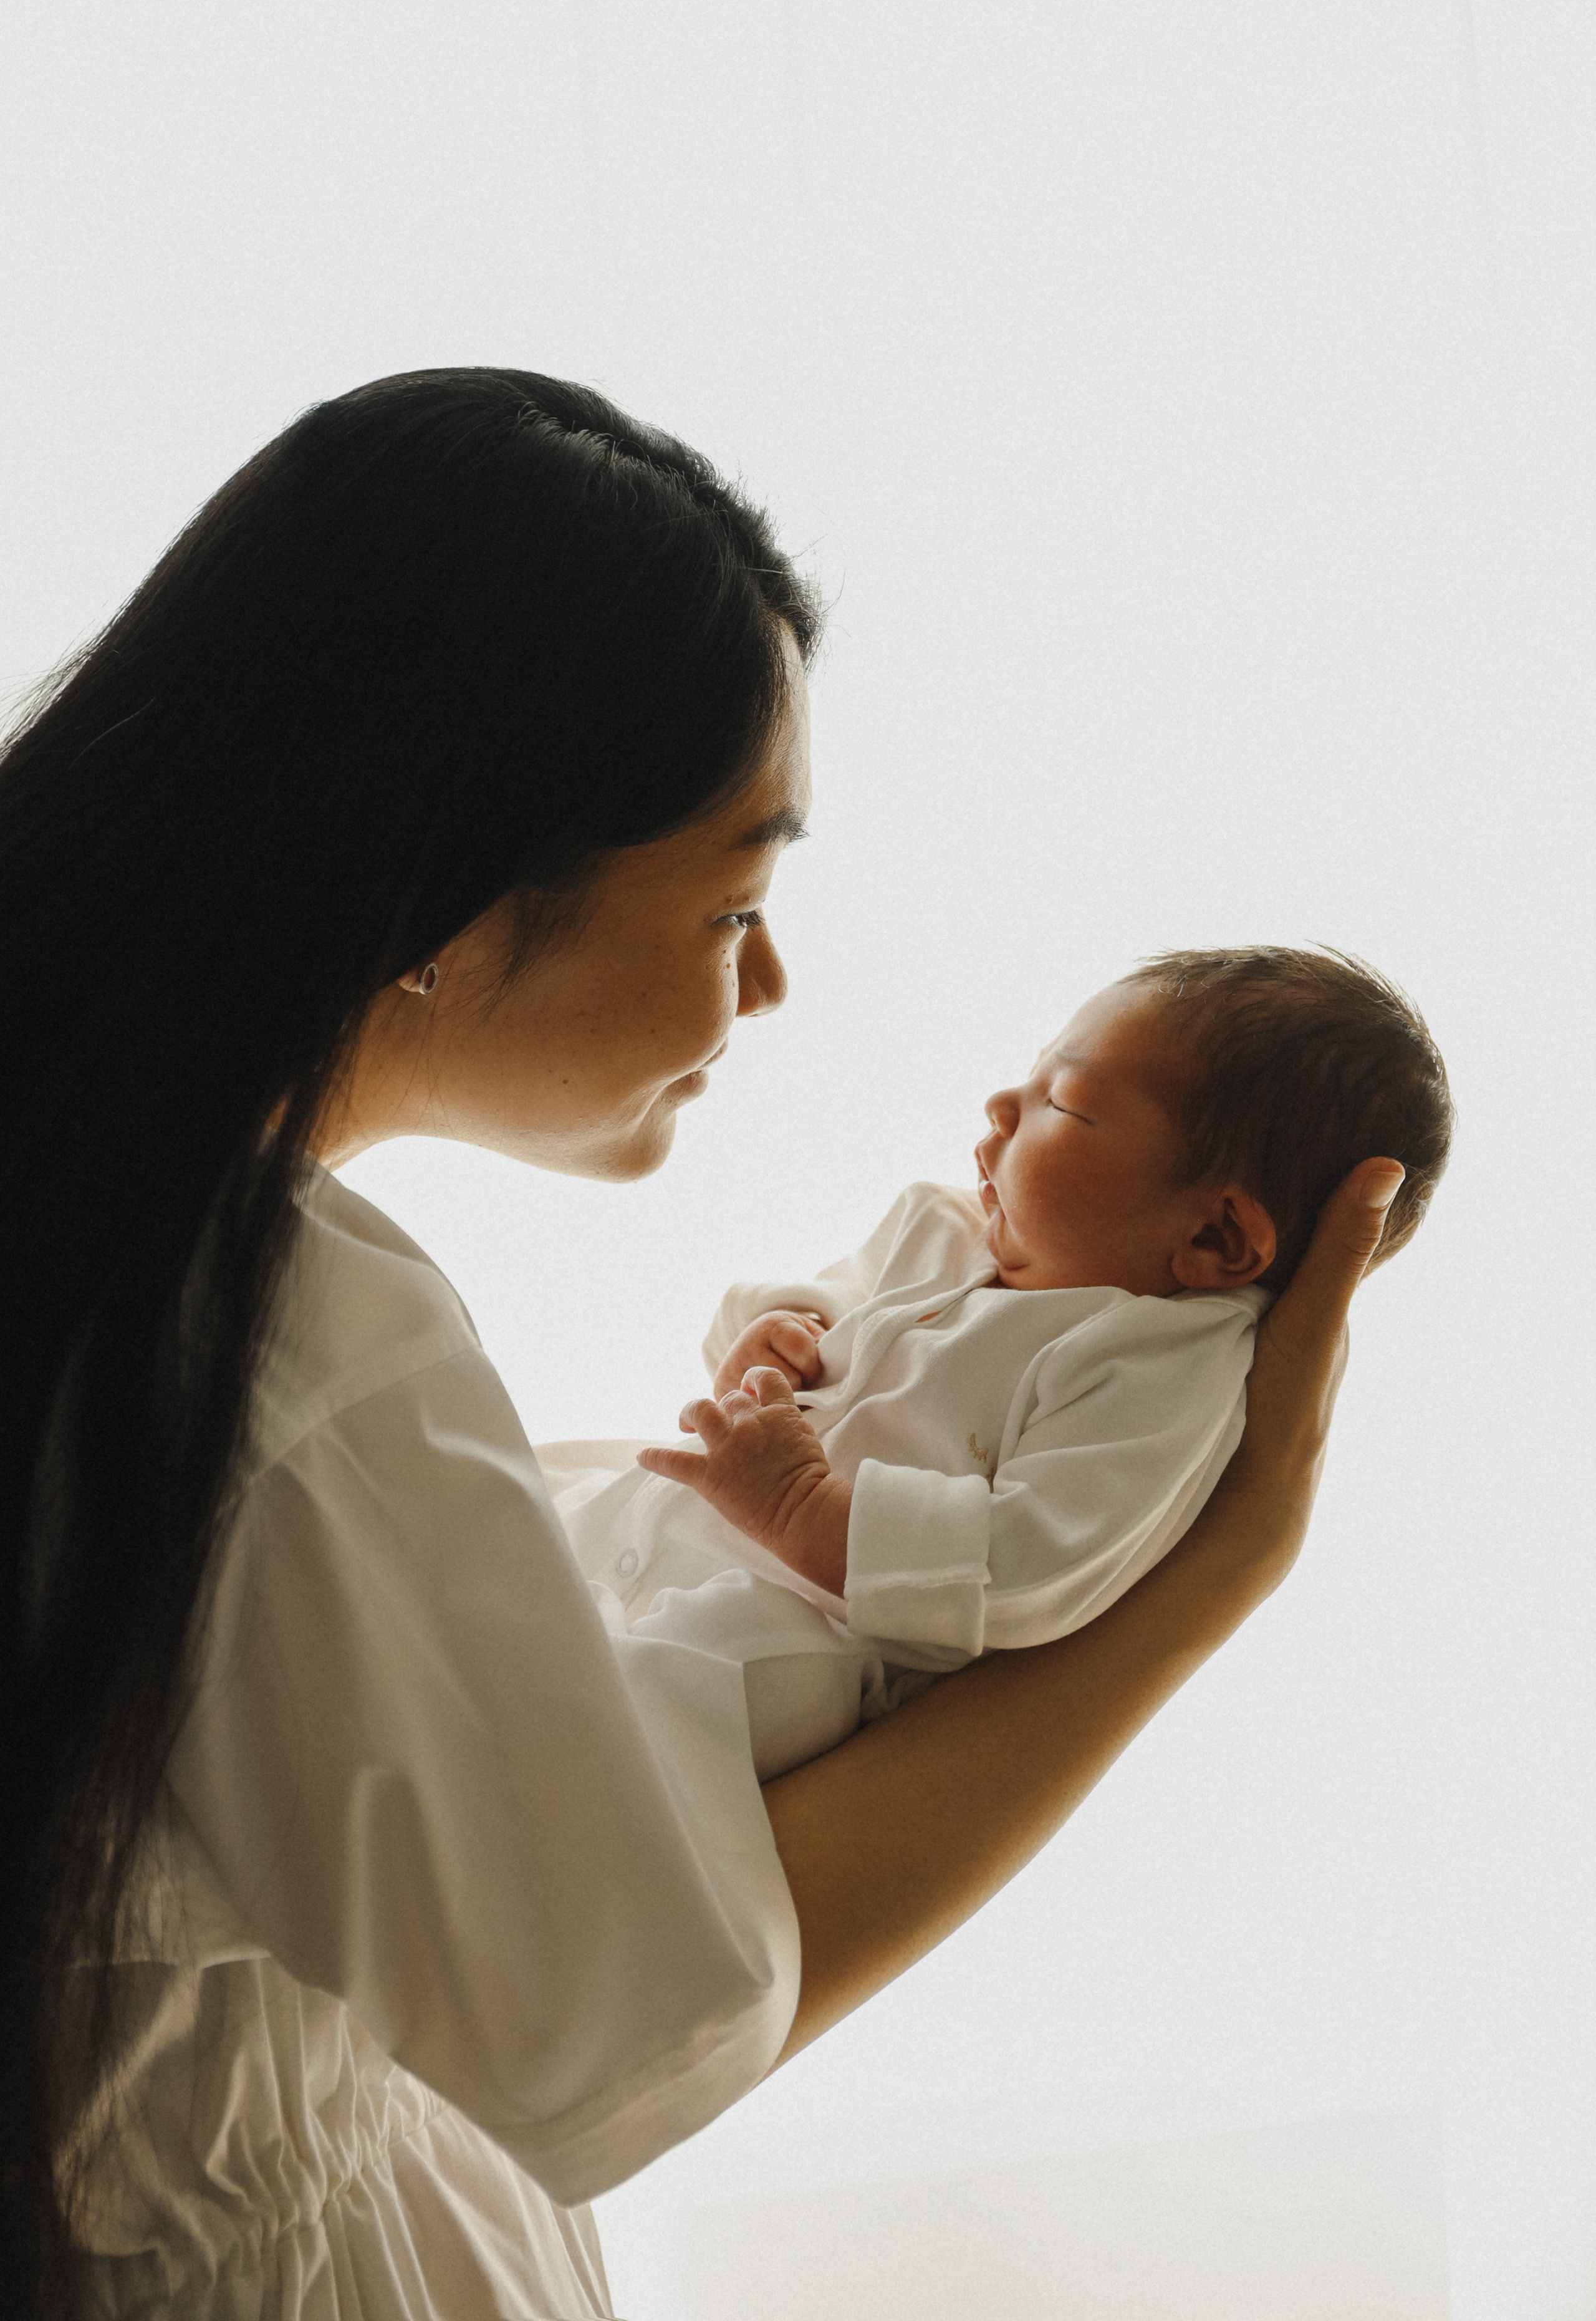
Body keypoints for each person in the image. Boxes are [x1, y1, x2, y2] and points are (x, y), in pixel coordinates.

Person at [0, 365, 1406, 2321]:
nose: (770, 980)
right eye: (739, 898)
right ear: (449, 889)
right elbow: (621, 2018)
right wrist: (1208, 1584)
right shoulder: (270, 1341)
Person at [550, 948, 1451, 1781]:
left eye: (1067, 1105)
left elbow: (1034, 1563)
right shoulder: (941, 1227)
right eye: (1031, 1075)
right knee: (539, 1509)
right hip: (656, 1519)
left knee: (709, 1686)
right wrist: (781, 1333)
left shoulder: (1162, 1359)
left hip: (800, 1628)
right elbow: (829, 1296)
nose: (1002, 1106)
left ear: (1215, 1237)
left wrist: (799, 1506)